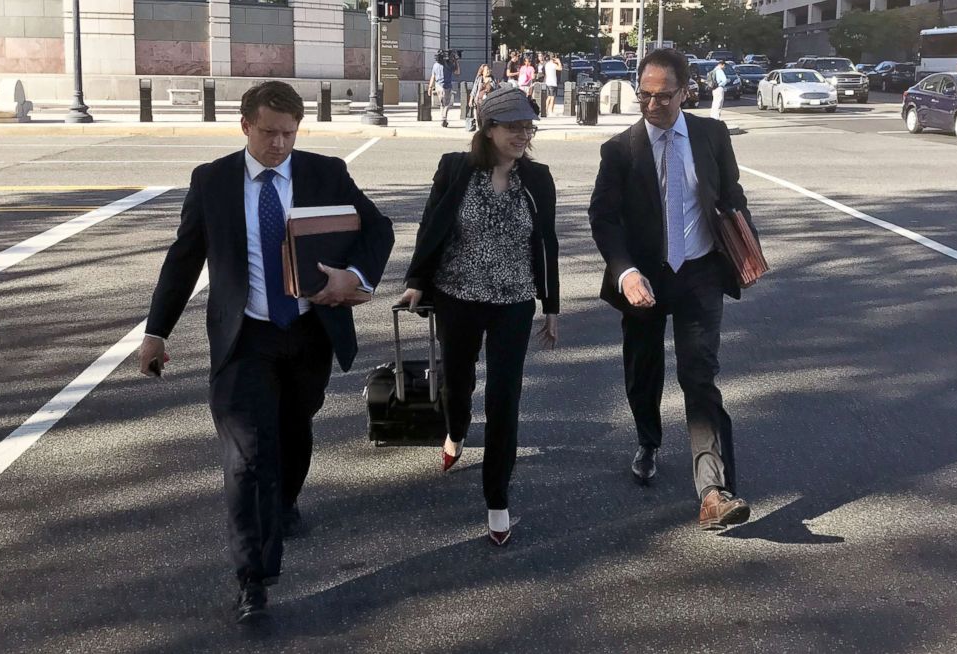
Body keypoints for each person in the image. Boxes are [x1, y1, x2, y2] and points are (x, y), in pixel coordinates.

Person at [138, 81, 394, 624]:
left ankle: (285, 499)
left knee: (295, 426)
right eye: (270, 133)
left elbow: (377, 228)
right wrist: (156, 331)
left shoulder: (325, 172)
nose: (280, 144)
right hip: (244, 336)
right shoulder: (213, 182)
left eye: (289, 134)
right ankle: (253, 579)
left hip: (307, 330)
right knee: (248, 457)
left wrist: (355, 275)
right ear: (245, 126)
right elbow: (183, 260)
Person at [587, 49, 758, 531]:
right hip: (643, 276)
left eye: (663, 96)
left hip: (701, 272)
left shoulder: (712, 135)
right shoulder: (619, 150)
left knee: (699, 376)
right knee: (644, 369)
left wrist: (743, 239)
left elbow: (731, 194)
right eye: (644, 94)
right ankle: (648, 440)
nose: (652, 105)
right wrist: (625, 272)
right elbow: (603, 218)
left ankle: (713, 489)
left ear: (686, 92)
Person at [398, 87, 560, 547]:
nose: (523, 135)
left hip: (514, 301)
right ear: (488, 128)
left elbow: (546, 243)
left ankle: (497, 498)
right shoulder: (456, 169)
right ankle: (455, 430)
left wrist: (551, 306)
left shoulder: (538, 178)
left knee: (504, 399)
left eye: (529, 127)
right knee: (458, 380)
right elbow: (432, 225)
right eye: (514, 127)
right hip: (458, 296)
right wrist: (416, 280)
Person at [428, 50, 461, 128]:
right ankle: (444, 119)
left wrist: (430, 87)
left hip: (438, 86)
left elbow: (433, 76)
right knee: (447, 104)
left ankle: (443, 118)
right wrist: (456, 61)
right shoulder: (448, 65)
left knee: (442, 104)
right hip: (446, 86)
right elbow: (457, 72)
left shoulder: (435, 65)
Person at [468, 64, 496, 131]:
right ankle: (480, 129)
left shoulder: (492, 79)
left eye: (489, 70)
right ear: (482, 71)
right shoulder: (479, 78)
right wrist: (471, 99)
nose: (488, 71)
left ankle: (484, 129)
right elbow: (474, 89)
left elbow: (495, 89)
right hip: (479, 101)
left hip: (488, 102)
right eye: (487, 70)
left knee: (486, 117)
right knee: (478, 117)